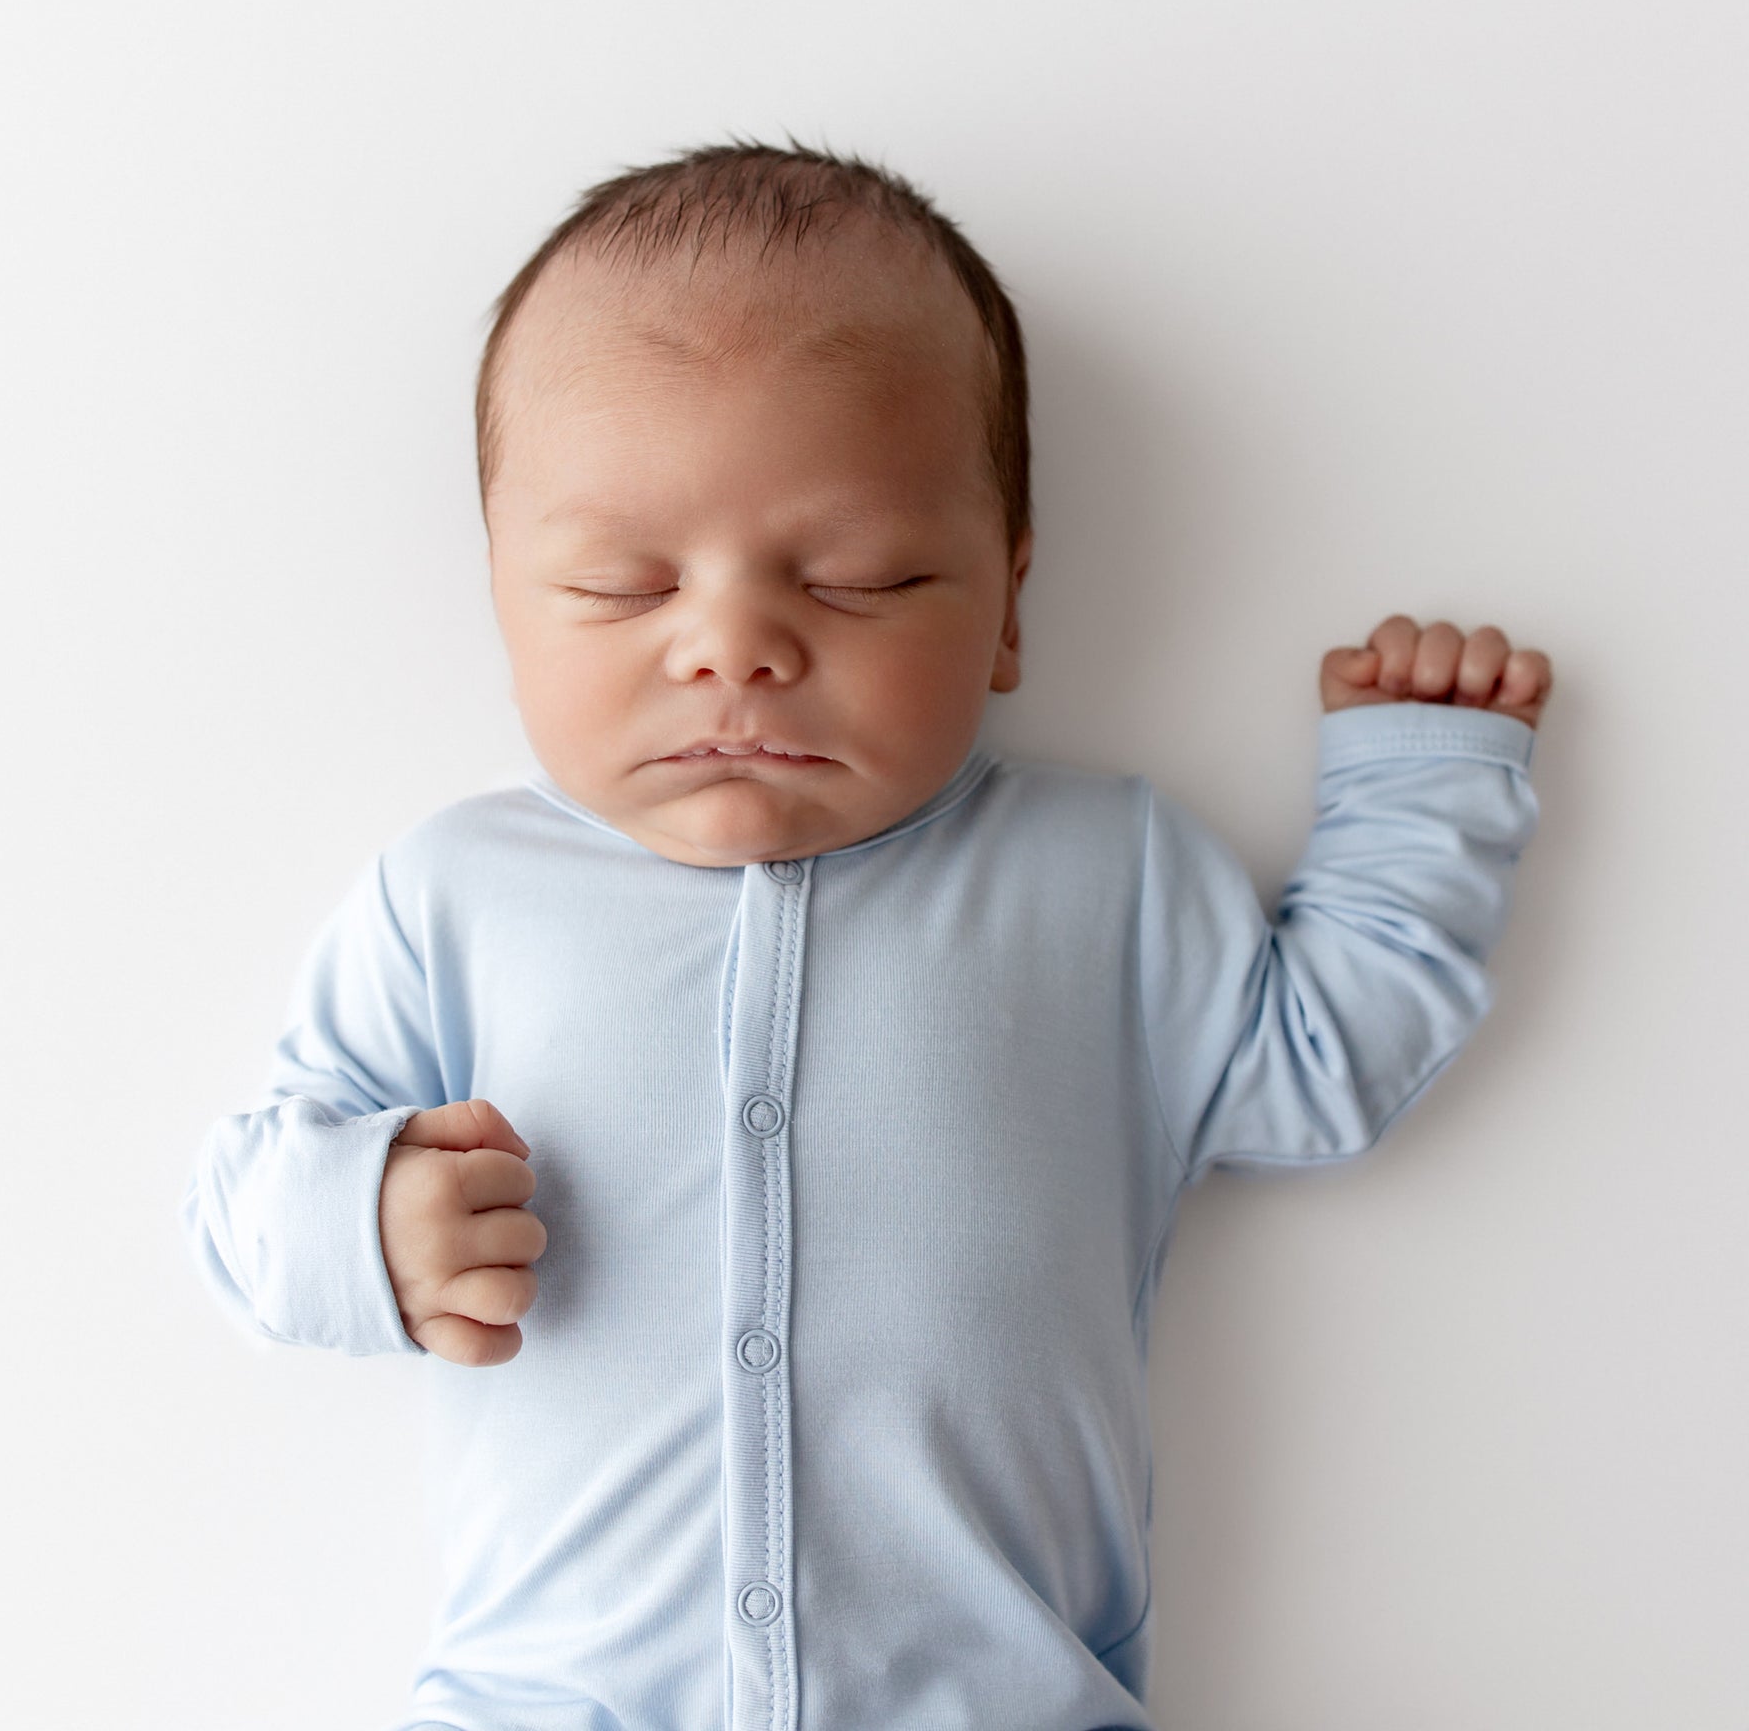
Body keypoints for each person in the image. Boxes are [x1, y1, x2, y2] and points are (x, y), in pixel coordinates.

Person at [178, 137, 1552, 1731]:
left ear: (1010, 603)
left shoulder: (1099, 874)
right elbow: (240, 1206)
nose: (736, 649)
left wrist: (1419, 791)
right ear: (506, 602)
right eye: (622, 587)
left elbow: (1319, 1068)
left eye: (858, 578)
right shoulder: (457, 896)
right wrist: (369, 1224)